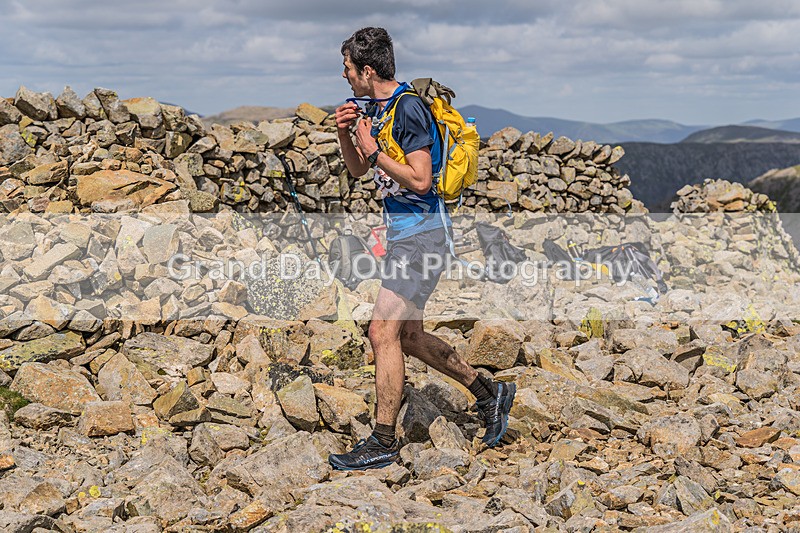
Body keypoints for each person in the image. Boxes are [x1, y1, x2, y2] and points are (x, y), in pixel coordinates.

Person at [328, 27, 516, 471]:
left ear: (367, 69)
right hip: (404, 236)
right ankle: (489, 393)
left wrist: (374, 152)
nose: (345, 76)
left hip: (423, 237)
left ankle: (383, 440)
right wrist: (346, 135)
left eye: (348, 69)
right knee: (408, 337)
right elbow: (358, 170)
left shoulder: (409, 109)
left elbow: (420, 179)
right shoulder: (373, 108)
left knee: (381, 333)